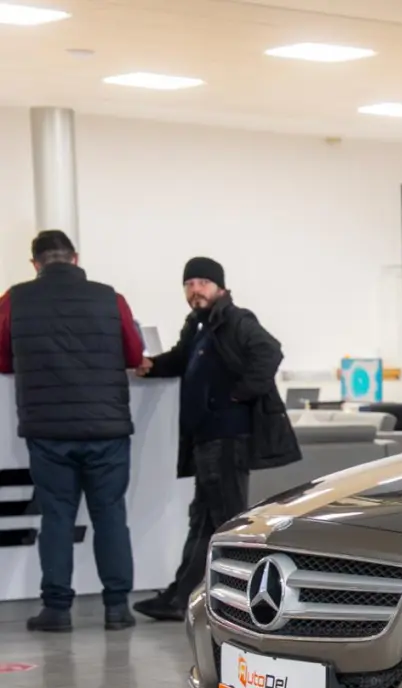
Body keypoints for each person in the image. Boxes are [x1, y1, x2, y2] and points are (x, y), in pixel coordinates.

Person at [133, 258, 300, 621]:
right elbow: (180, 360)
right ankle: (182, 596)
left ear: (219, 287)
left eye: (203, 282)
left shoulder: (236, 319)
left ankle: (241, 600)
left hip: (227, 438)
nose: (195, 290)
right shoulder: (198, 326)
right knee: (205, 521)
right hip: (206, 440)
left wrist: (239, 395)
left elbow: (269, 351)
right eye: (189, 283)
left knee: (229, 522)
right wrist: (152, 366)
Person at [0, 230, 144, 632]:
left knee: (57, 517)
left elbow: (2, 357)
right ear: (75, 258)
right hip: (107, 431)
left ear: (35, 263)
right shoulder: (110, 298)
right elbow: (134, 354)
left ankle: (57, 610)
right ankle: (117, 608)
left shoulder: (14, 299)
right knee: (111, 516)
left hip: (48, 432)